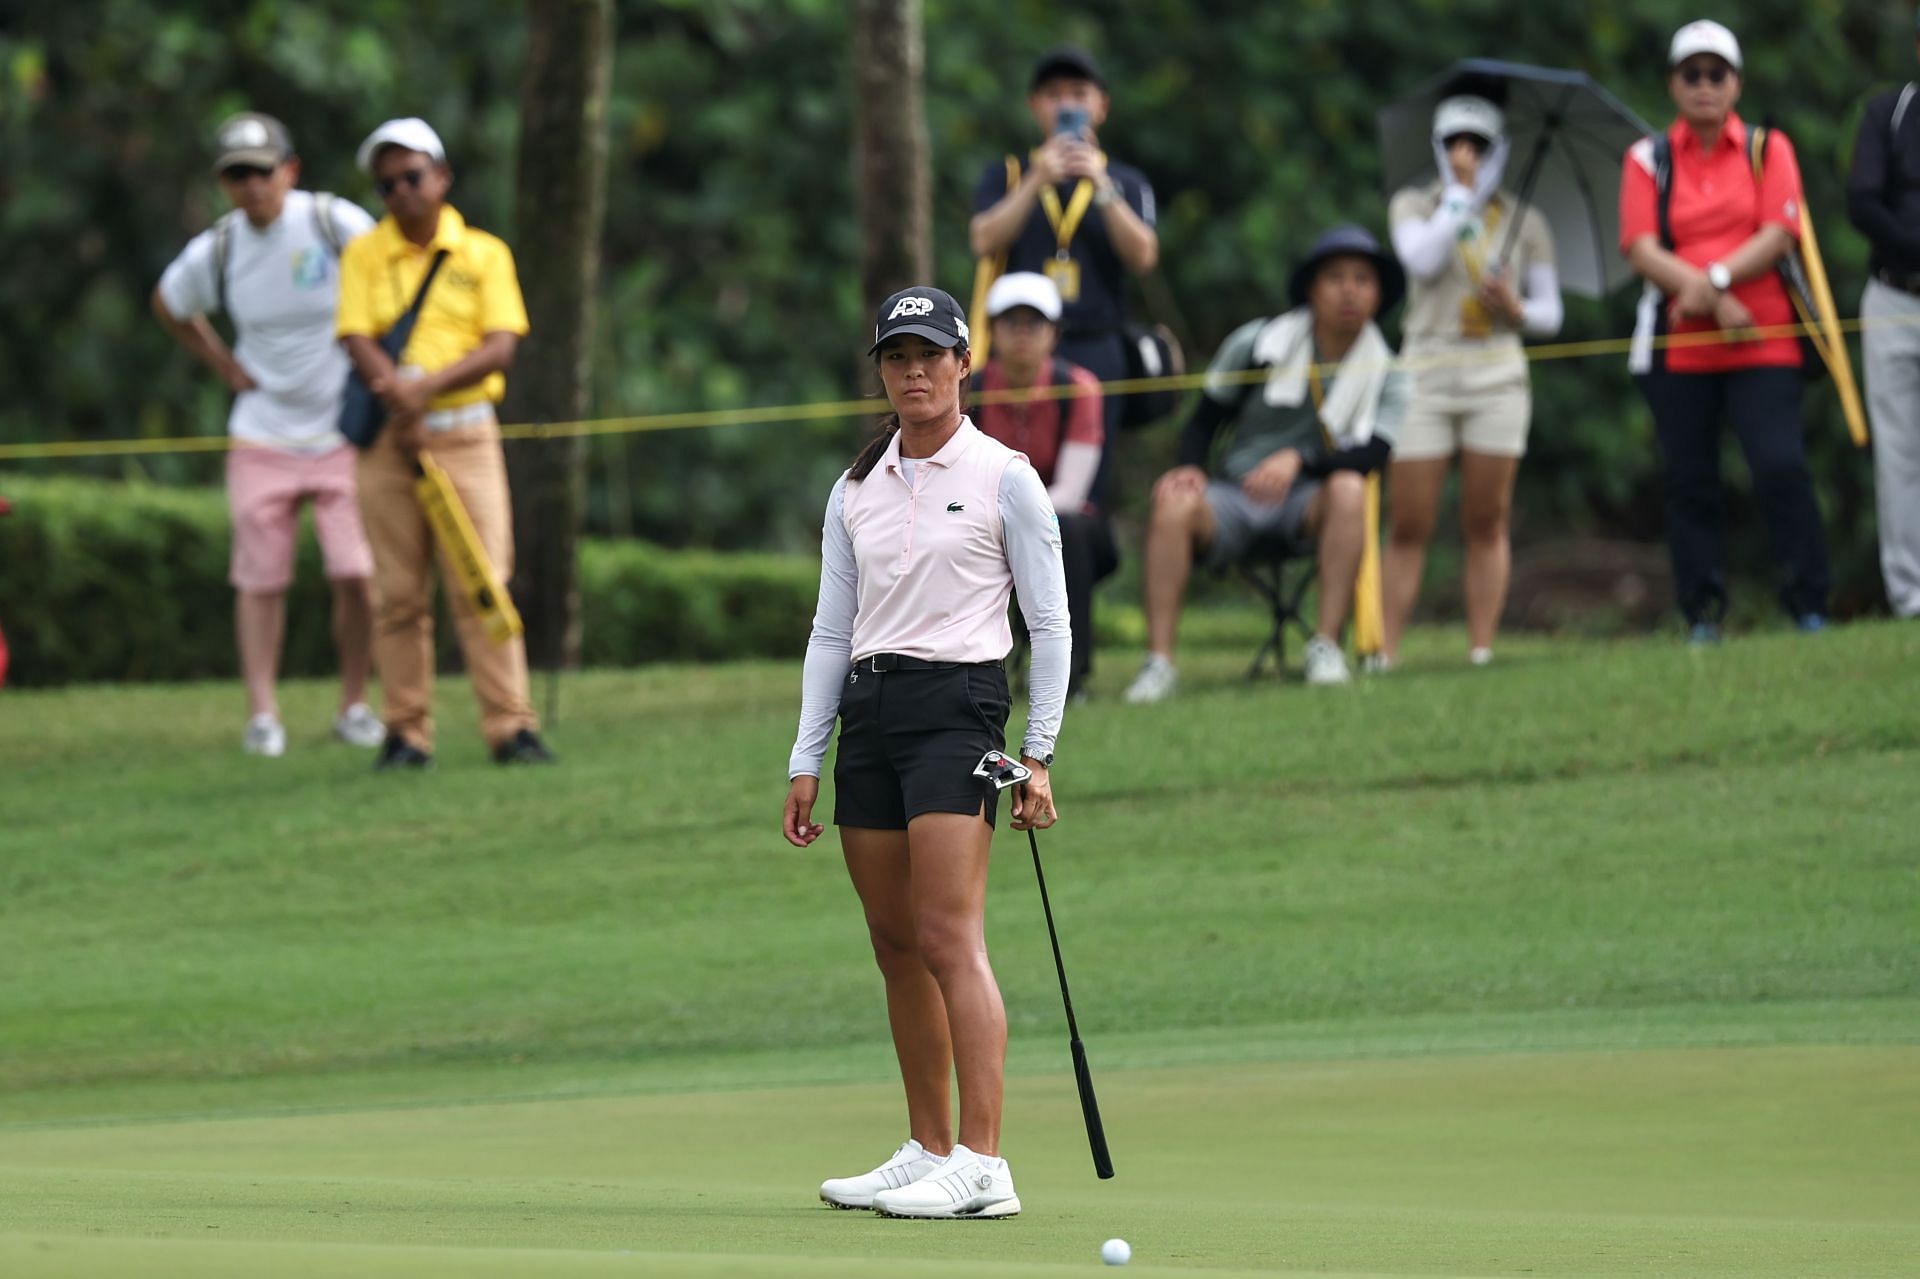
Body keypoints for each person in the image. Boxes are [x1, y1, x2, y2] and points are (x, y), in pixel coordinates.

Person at [782, 286, 1069, 1220]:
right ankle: (928, 1145)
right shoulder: (855, 485)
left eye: (929, 355)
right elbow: (831, 631)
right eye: (896, 357)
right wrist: (805, 755)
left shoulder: (1005, 476)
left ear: (962, 363)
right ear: (882, 370)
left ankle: (985, 1162)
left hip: (959, 709)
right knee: (895, 940)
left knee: (950, 935)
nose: (913, 371)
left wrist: (1037, 752)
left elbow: (1049, 623)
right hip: (870, 707)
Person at [153, 112, 382, 758]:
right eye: (237, 174)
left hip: (340, 428)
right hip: (261, 434)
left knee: (356, 572)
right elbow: (169, 303)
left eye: (261, 170)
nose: (252, 185)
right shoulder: (220, 247)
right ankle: (262, 714)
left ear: (290, 169)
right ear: (224, 183)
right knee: (261, 579)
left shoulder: (334, 223)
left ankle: (355, 703)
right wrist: (222, 364)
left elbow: (384, 282)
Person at [335, 117, 552, 768]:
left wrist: (422, 390)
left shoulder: (484, 253)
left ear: (442, 177)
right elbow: (356, 335)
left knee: (484, 583)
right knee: (397, 595)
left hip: (465, 436)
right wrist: (396, 396)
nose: (400, 192)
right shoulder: (364, 253)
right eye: (386, 183)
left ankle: (511, 727)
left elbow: (500, 346)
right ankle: (406, 732)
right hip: (388, 446)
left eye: (411, 177)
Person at [1124, 226, 1407, 701]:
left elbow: (1372, 455)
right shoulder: (1258, 343)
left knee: (1350, 487)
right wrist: (1191, 466)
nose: (1349, 289)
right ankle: (1159, 664)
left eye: (1363, 279)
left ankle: (1325, 647)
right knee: (1173, 503)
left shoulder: (1391, 372)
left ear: (1378, 295)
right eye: (1335, 277)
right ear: (1311, 289)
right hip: (1235, 493)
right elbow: (1203, 421)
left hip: (1309, 503)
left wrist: (1300, 459)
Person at [1621, 20, 1830, 643]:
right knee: (1690, 481)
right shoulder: (1647, 158)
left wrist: (1709, 280)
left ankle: (1807, 603)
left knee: (1779, 466)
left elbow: (1779, 233)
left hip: (1764, 337)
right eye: (1693, 74)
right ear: (1673, 84)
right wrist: (1715, 302)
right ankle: (1702, 614)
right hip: (1684, 348)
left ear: (1736, 84)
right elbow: (1639, 246)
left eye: (1717, 74)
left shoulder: (1770, 149)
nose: (1705, 86)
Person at [1386, 93, 1563, 668]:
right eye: (1454, 144)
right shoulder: (1416, 204)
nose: (1467, 155)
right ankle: (1384, 652)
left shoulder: (1524, 221)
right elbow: (1423, 261)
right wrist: (1459, 198)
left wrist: (1515, 307)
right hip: (1425, 368)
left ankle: (1481, 648)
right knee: (1410, 519)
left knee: (1487, 518)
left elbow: (1550, 314)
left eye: (1479, 146)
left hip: (1496, 370)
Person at [970, 45, 1157, 499]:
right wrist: (1038, 180)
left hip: (1098, 346)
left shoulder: (1125, 180)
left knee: (1085, 493)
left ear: (1101, 106)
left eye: (1079, 93)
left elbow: (1144, 257)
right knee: (999, 480)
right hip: (1020, 349)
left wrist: (1102, 186)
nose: (1066, 105)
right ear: (1035, 105)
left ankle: (1079, 566)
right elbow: (982, 240)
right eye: (1053, 95)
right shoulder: (1010, 174)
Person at [972, 271, 1115, 696]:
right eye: (1010, 322)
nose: (1021, 334)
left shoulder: (1079, 388)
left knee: (1067, 528)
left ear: (1054, 333)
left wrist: (1008, 522)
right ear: (993, 330)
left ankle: (1072, 677)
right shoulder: (969, 390)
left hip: (1061, 527)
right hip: (985, 521)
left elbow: (1071, 490)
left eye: (1033, 323)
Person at [1847, 15, 1920, 619]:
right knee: (1898, 451)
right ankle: (1910, 596)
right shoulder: (1889, 111)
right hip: (1894, 297)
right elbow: (1862, 201)